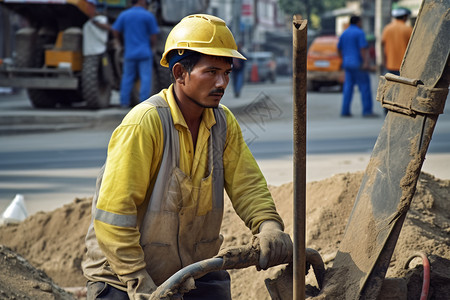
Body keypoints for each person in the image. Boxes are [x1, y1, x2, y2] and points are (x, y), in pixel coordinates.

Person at [82, 14, 293, 300]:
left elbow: (247, 185)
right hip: (122, 275)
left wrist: (268, 225)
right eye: (211, 72)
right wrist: (139, 282)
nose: (222, 82)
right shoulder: (146, 122)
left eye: (227, 73)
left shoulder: (223, 122)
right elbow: (113, 217)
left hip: (192, 271)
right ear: (180, 73)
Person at [112, 0, 160, 108]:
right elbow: (153, 35)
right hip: (144, 52)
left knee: (127, 77)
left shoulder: (124, 15)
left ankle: (124, 102)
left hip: (129, 53)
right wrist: (153, 47)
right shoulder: (148, 16)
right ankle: (143, 103)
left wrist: (119, 43)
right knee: (146, 78)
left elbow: (115, 30)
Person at [337, 15, 377, 118]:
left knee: (348, 87)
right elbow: (363, 49)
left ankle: (345, 111)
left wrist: (343, 59)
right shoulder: (360, 33)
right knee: (364, 87)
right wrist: (366, 62)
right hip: (358, 64)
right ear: (358, 22)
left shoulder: (344, 33)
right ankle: (367, 111)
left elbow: (338, 49)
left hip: (348, 64)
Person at [381, 7, 413, 76]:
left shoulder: (387, 28)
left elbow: (382, 45)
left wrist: (383, 61)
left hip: (390, 64)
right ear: (405, 17)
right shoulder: (408, 29)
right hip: (404, 66)